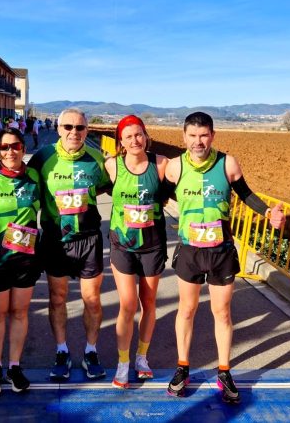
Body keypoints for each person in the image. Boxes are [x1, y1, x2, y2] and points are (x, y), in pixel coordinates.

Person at [164, 111, 285, 402]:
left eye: (204, 135)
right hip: (190, 250)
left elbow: (246, 194)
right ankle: (182, 367)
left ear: (213, 135)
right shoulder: (175, 167)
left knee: (222, 312)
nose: (198, 141)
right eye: (193, 136)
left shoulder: (227, 163)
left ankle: (224, 370)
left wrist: (268, 213)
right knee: (187, 310)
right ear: (184, 137)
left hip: (220, 251)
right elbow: (158, 198)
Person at [27, 107, 111, 381]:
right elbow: (22, 183)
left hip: (88, 239)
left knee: (92, 300)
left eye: (80, 128)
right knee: (58, 298)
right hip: (56, 239)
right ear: (58, 128)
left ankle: (91, 351)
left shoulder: (96, 157)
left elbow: (108, 184)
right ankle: (61, 350)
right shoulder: (43, 157)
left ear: (87, 130)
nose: (74, 132)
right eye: (68, 127)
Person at [0, 128, 42, 396]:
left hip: (25, 258)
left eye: (15, 146)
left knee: (20, 312)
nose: (10, 151)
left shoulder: (35, 176)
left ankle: (14, 366)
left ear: (23, 148)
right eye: (4, 147)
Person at [105, 115, 169, 389]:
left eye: (139, 134)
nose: (135, 140)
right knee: (128, 304)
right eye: (129, 136)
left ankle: (142, 358)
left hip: (152, 245)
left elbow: (188, 180)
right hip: (122, 244)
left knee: (149, 302)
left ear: (146, 136)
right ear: (121, 141)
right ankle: (123, 362)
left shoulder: (162, 164)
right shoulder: (112, 165)